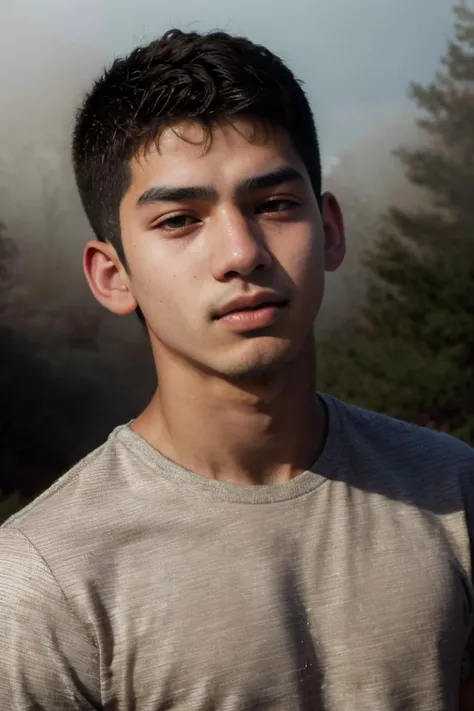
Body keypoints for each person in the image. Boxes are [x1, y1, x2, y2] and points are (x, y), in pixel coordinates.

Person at [0, 28, 473, 711]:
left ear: (331, 228)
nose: (241, 252)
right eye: (179, 220)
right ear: (112, 274)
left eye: (274, 205)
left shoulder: (455, 494)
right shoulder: (45, 581)